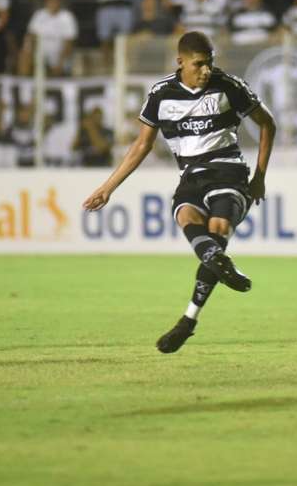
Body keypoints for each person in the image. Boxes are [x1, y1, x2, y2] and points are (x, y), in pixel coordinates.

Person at [83, 31, 276, 354]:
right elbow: (141, 145)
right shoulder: (162, 94)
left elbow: (267, 123)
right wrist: (108, 187)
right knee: (186, 214)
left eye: (210, 63)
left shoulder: (228, 86)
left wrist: (260, 177)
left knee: (217, 229)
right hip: (191, 177)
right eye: (199, 64)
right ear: (181, 62)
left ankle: (189, 320)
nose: (206, 71)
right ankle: (215, 266)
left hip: (229, 170)